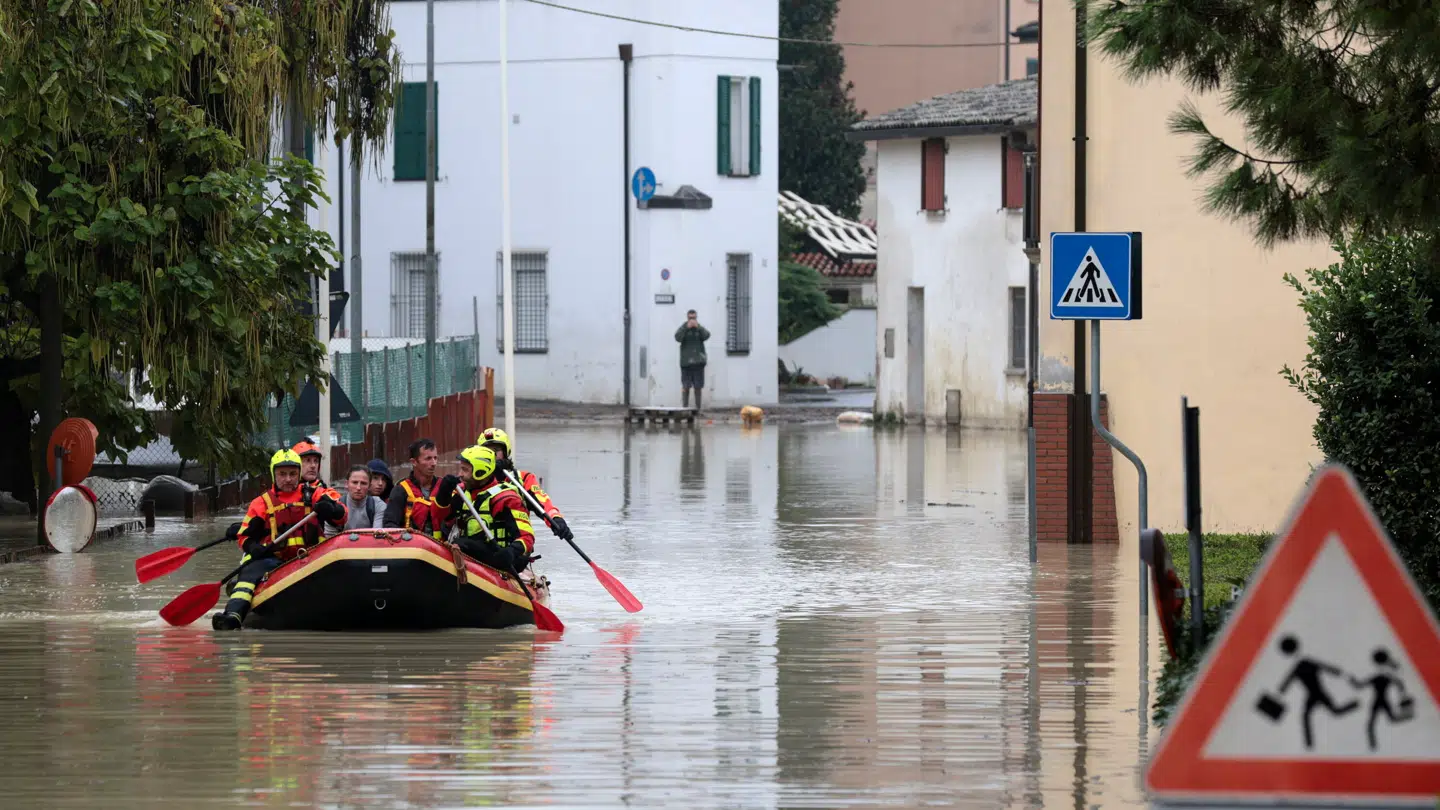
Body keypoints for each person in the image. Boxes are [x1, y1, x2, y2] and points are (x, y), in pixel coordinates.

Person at [211, 449, 347, 630]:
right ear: (274, 474)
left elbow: (342, 514)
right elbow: (244, 536)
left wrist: (331, 509)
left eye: (292, 474)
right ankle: (233, 616)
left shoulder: (315, 494)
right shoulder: (262, 503)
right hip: (273, 559)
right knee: (249, 574)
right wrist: (253, 548)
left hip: (311, 556)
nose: (288, 479)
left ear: (299, 473)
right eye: (282, 474)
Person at [434, 444, 535, 574]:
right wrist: (443, 495)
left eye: (465, 470)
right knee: (462, 544)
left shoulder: (506, 499)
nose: (460, 474)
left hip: (500, 557)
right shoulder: (461, 492)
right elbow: (439, 518)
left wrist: (511, 551)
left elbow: (527, 537)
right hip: (469, 551)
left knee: (464, 544)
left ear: (480, 471)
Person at [476, 426, 573, 541]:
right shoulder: (471, 480)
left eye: (496, 451)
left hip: (514, 549)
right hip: (477, 548)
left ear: (505, 453)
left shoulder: (523, 479)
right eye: (487, 452)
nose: (492, 456)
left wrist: (556, 520)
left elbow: (543, 504)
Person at [382, 438, 449, 539]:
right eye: (428, 458)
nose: (434, 463)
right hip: (411, 548)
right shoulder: (401, 490)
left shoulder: (444, 486)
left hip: (441, 549)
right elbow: (390, 525)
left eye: (435, 458)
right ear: (414, 462)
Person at [675, 309, 710, 410]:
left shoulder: (699, 329)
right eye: (690, 318)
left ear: (696, 318)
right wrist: (686, 327)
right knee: (686, 386)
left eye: (694, 318)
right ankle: (684, 408)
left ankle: (697, 409)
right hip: (686, 363)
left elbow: (707, 335)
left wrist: (698, 327)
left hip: (698, 362)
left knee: (698, 387)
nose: (692, 320)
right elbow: (677, 337)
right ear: (687, 318)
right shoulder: (684, 327)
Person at [339, 464, 387, 531]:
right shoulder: (336, 506)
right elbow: (329, 538)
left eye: (363, 483)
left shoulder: (378, 505)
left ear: (369, 486)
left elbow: (377, 536)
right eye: (355, 482)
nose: (358, 487)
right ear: (347, 484)